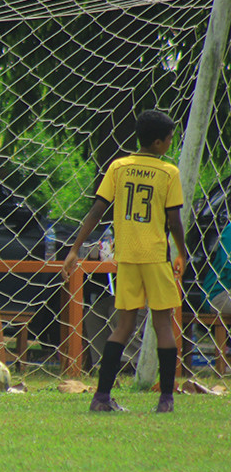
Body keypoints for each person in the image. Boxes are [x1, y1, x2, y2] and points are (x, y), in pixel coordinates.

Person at [63, 109, 188, 414]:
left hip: (128, 257)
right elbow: (174, 220)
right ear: (158, 143)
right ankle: (166, 400)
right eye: (170, 138)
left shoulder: (118, 167)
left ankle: (101, 397)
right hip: (156, 257)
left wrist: (75, 249)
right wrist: (182, 252)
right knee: (163, 324)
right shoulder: (168, 172)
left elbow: (96, 211)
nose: (171, 142)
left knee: (123, 326)